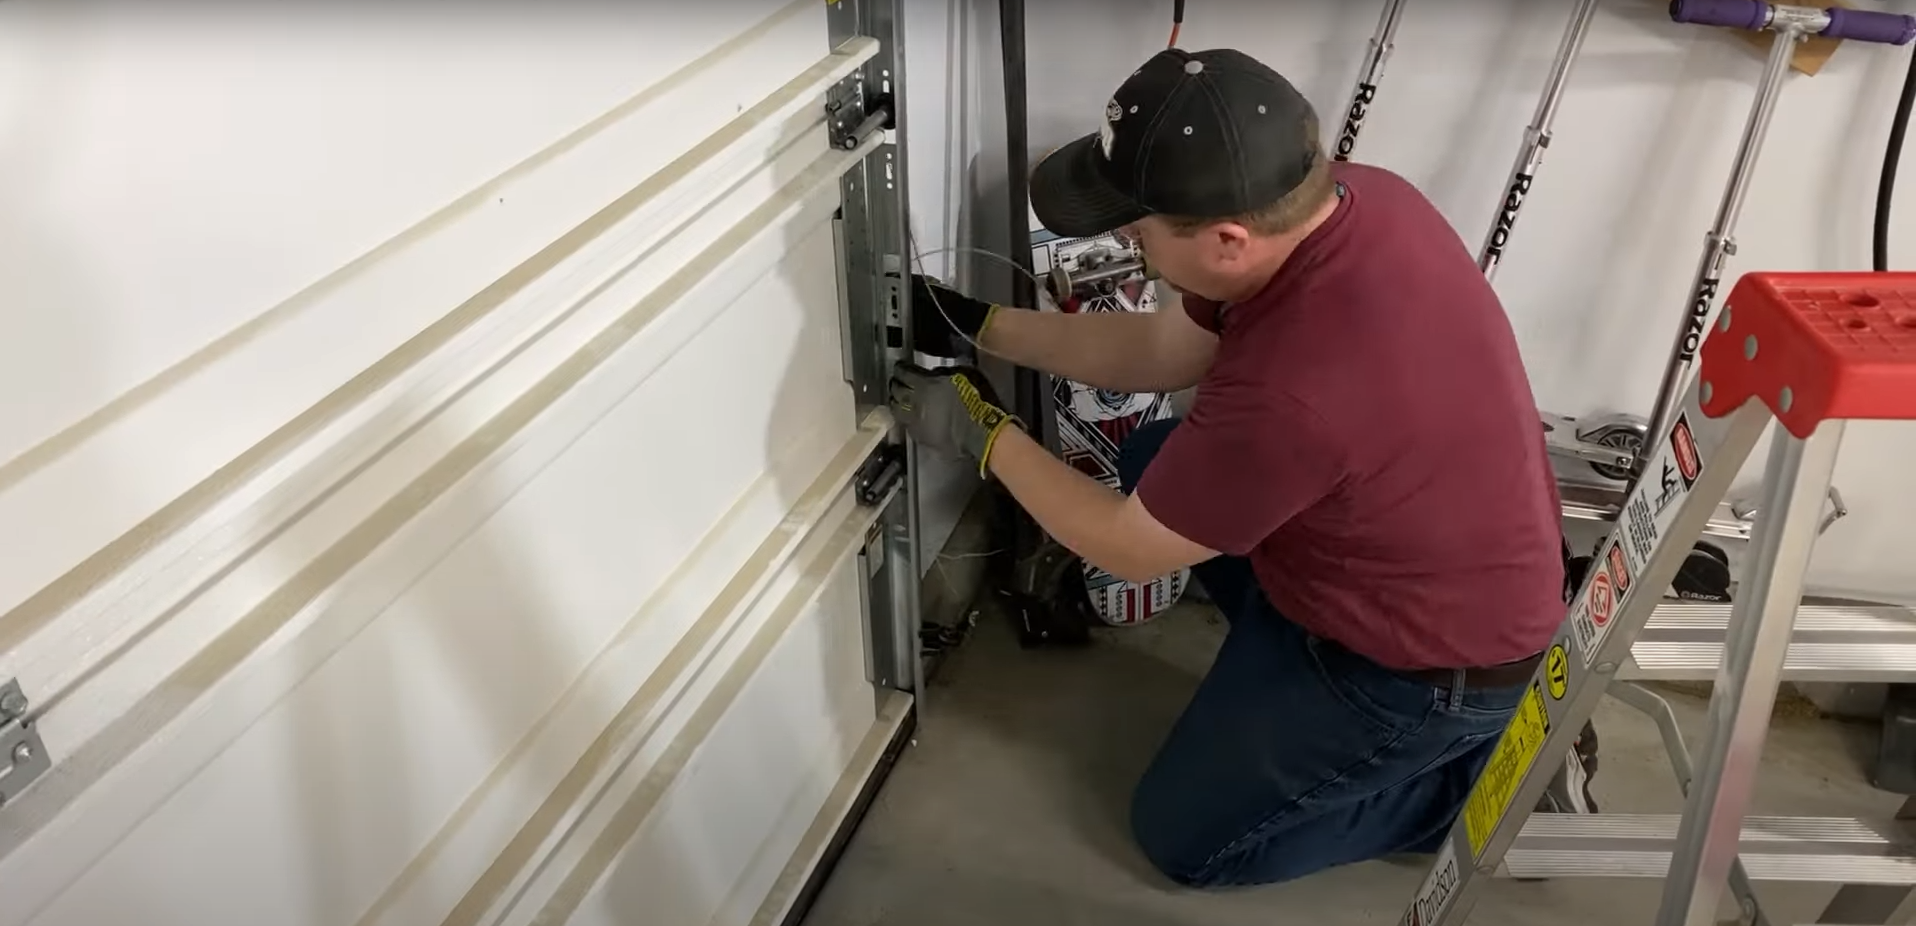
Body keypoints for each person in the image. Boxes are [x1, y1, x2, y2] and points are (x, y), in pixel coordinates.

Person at [886, 46, 1597, 888]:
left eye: (1135, 223)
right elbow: (1161, 347)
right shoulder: (1360, 200)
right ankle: (1306, 678)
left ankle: (1491, 780)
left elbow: (1126, 548)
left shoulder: (1293, 392)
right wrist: (978, 326)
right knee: (1155, 457)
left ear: (1226, 240)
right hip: (1416, 572)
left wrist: (985, 431)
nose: (1122, 238)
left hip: (1425, 670)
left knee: (1188, 841)